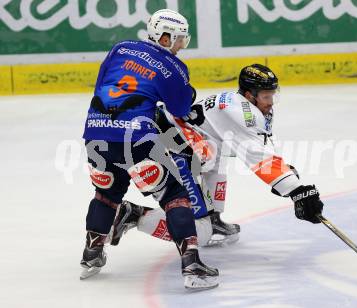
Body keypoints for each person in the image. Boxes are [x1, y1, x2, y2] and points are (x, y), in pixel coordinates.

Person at [112, 64, 325, 247]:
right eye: (266, 96)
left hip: (183, 140)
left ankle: (212, 218)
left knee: (215, 158)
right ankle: (135, 215)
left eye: (272, 95)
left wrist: (287, 176)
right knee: (200, 235)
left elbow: (261, 143)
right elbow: (257, 156)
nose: (270, 102)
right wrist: (295, 189)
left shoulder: (247, 105)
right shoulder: (243, 113)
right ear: (250, 95)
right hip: (170, 147)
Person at [80, 9, 218, 290]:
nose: (181, 45)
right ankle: (192, 264)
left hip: (95, 131)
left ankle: (91, 254)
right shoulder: (173, 66)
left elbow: (100, 86)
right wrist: (187, 92)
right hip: (136, 137)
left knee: (106, 193)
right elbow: (180, 110)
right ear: (165, 38)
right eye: (180, 40)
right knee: (175, 195)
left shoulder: (120, 48)